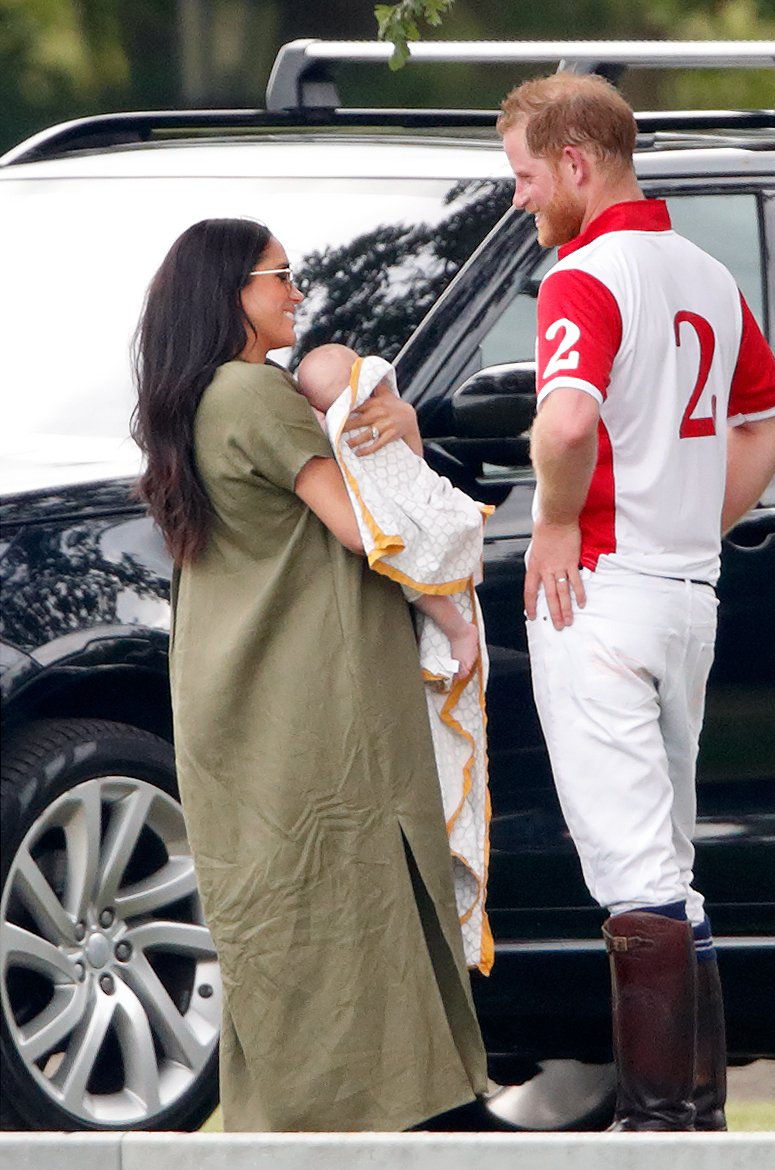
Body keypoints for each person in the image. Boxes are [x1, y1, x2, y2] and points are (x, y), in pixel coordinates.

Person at [130, 217, 487, 1132]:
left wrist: (394, 424)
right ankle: (398, 1118)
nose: (297, 292)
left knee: (289, 911)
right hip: (309, 697)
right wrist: (450, 604)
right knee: (351, 900)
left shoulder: (206, 400)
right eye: (278, 276)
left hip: (242, 699)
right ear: (229, 294)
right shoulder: (253, 393)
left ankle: (316, 1121)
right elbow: (368, 525)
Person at [498, 73, 775, 1131]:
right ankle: (693, 1116)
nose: (523, 201)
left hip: (600, 591)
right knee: (667, 863)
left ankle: (661, 1124)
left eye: (527, 178)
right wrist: (691, 517)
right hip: (683, 593)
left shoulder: (582, 276)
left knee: (633, 870)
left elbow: (567, 423)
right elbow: (773, 421)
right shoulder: (704, 270)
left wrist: (551, 521)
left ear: (576, 165)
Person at [296, 342, 494, 975]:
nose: (379, 403)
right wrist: (455, 618)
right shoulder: (346, 452)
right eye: (365, 394)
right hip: (427, 607)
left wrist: (410, 435)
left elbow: (421, 498)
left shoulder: (388, 430)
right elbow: (393, 540)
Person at [297, 342, 481, 681]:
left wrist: (407, 422)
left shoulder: (383, 414)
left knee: (410, 562)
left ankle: (458, 630)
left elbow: (411, 468)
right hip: (392, 534)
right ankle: (457, 630)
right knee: (408, 563)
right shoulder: (329, 431)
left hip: (417, 514)